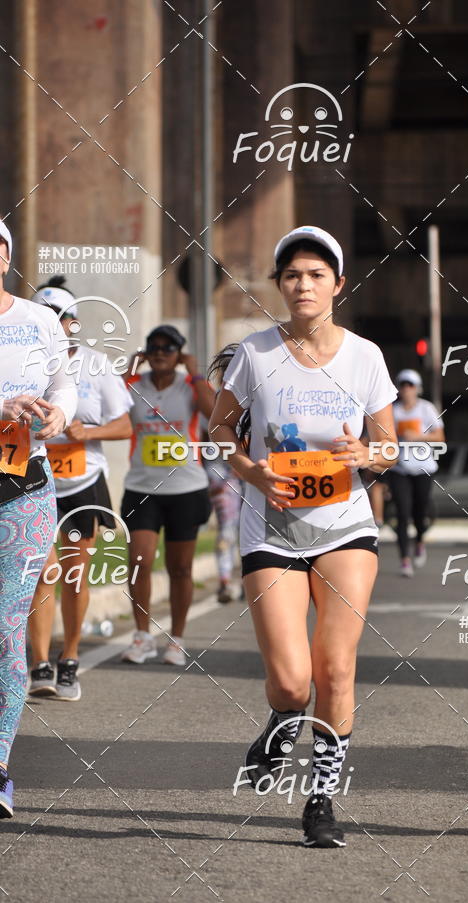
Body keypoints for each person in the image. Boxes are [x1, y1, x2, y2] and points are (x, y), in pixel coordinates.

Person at [208, 226, 398, 848]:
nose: (304, 284)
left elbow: (392, 448)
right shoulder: (254, 355)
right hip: (272, 530)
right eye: (292, 275)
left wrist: (367, 453)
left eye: (317, 274)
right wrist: (251, 471)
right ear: (280, 285)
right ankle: (282, 717)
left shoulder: (365, 356)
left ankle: (321, 801)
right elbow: (216, 438)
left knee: (335, 668)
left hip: (345, 526)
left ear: (338, 285)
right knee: (293, 681)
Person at [0, 223, 77, 817]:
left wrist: (58, 415)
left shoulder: (39, 320)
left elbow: (63, 382)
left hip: (21, 484)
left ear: (4, 258)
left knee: (7, 631)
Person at [27, 276, 133, 702]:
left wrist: (86, 432)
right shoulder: (22, 361)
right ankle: (39, 665)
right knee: (41, 574)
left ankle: (69, 657)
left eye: (61, 317)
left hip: (82, 482)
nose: (53, 323)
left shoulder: (96, 365)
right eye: (45, 315)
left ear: (73, 324)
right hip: (32, 477)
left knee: (72, 574)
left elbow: (125, 426)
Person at [120, 325, 215, 666]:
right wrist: (129, 369)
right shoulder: (134, 386)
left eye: (169, 347)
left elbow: (216, 416)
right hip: (142, 488)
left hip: (185, 488)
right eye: (154, 346)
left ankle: (177, 638)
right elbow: (106, 405)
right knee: (139, 562)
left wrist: (196, 373)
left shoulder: (190, 386)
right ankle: (142, 636)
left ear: (179, 353)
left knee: (180, 568)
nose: (160, 352)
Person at [387, 369, 444, 577]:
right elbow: (382, 435)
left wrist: (418, 437)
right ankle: (404, 560)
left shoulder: (426, 409)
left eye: (410, 385)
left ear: (417, 388)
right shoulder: (392, 411)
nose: (406, 389)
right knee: (402, 513)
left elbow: (440, 438)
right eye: (402, 385)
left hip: (423, 469)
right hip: (399, 468)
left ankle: (419, 541)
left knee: (420, 512)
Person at [205, 348, 243, 605]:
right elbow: (205, 445)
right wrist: (214, 479)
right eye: (225, 373)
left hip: (257, 478)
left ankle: (250, 580)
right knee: (227, 532)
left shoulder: (259, 397)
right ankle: (225, 581)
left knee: (252, 532)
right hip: (225, 477)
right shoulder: (211, 402)